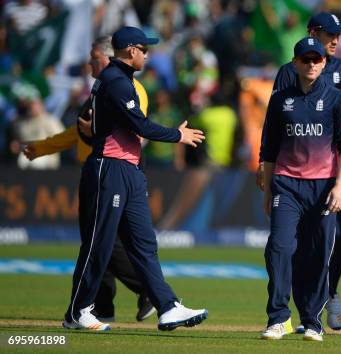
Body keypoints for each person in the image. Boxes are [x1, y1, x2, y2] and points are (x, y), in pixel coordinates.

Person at [62, 26, 207, 331]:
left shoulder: (121, 80)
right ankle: (78, 311)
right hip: (110, 168)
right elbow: (139, 125)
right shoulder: (115, 81)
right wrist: (177, 135)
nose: (147, 54)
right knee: (99, 243)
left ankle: (167, 306)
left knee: (143, 244)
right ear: (131, 51)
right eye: (144, 49)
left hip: (129, 170)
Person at [23, 36, 156, 323]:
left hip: (116, 170)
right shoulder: (101, 87)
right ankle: (100, 305)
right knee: (98, 239)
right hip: (99, 170)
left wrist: (94, 132)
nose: (89, 63)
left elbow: (136, 129)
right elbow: (77, 132)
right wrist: (42, 147)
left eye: (94, 57)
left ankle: (149, 291)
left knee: (106, 241)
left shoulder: (129, 87)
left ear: (110, 58)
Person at [257, 11, 341, 332]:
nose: (314, 62)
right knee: (280, 247)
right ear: (297, 61)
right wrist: (267, 180)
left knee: (324, 249)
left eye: (317, 59)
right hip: (287, 182)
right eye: (307, 59)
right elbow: (270, 141)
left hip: (326, 183)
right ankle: (279, 316)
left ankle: (314, 313)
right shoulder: (284, 86)